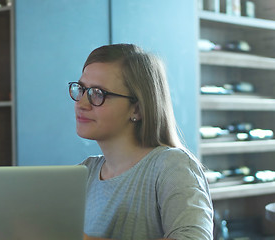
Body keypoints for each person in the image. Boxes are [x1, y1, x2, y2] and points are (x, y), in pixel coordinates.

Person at [69, 44, 213, 240]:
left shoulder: (172, 166)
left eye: (98, 93)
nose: (81, 103)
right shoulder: (84, 173)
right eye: (81, 89)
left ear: (137, 109)